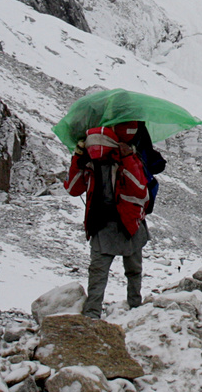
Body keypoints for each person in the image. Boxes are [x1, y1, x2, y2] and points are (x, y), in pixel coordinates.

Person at [64, 118, 164, 318]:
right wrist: (78, 159)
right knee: (128, 270)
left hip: (113, 224)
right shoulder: (107, 161)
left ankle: (96, 314)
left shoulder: (108, 161)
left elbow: (74, 188)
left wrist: (80, 158)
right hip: (126, 223)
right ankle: (130, 309)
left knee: (100, 273)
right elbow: (74, 189)